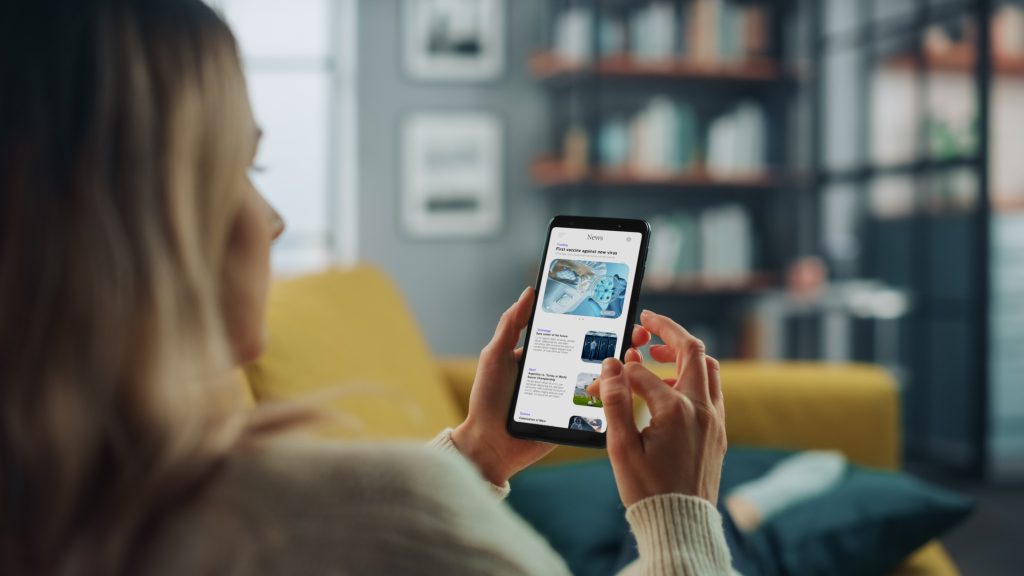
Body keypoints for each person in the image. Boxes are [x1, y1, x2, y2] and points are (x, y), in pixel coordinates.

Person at [0, 1, 731, 574]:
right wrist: (681, 517)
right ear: (136, 215)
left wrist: (477, 453)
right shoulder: (346, 522)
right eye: (239, 170)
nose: (275, 220)